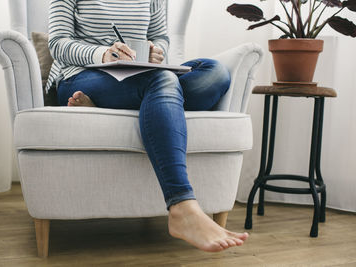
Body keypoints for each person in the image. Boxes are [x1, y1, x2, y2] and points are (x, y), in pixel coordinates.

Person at [47, 0, 249, 252]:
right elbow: (57, 43)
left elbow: (160, 37)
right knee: (161, 80)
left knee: (214, 72)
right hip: (80, 76)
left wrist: (156, 51)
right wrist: (103, 54)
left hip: (139, 75)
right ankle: (182, 206)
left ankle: (131, 102)